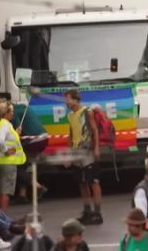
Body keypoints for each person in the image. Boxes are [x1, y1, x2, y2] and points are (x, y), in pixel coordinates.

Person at [64, 89, 103, 224]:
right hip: (76, 151)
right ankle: (87, 211)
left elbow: (94, 130)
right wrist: (69, 155)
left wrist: (97, 147)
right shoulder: (70, 115)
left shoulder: (87, 112)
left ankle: (97, 213)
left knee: (93, 181)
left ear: (76, 100)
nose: (66, 102)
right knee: (82, 183)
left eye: (68, 99)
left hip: (87, 151)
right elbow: (71, 135)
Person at [0, 100, 25, 212]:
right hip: (7, 162)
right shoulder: (4, 124)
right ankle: (2, 218)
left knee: (1, 192)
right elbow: (0, 140)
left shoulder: (0, 124)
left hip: (0, 162)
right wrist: (6, 151)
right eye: (12, 111)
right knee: (6, 192)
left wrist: (16, 133)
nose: (13, 114)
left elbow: (6, 139)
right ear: (6, 113)